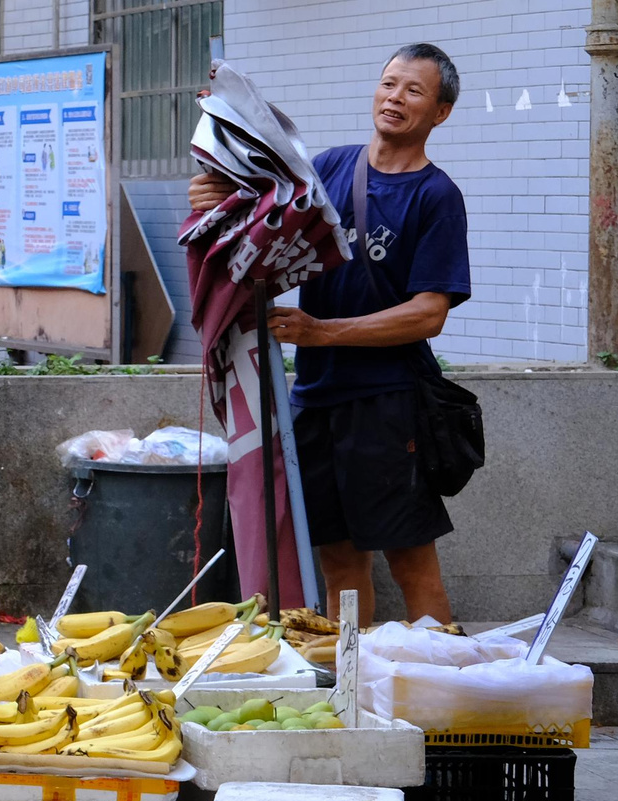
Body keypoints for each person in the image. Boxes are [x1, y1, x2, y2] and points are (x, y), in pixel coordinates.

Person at [188, 44, 470, 627]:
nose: (394, 98)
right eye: (388, 84)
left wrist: (323, 332)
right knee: (340, 563)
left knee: (410, 561)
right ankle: (357, 693)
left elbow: (428, 314)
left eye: (413, 91)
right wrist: (209, 199)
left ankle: (440, 695)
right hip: (314, 401)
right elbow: (257, 215)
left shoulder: (436, 196)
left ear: (440, 112)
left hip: (388, 405)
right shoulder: (330, 168)